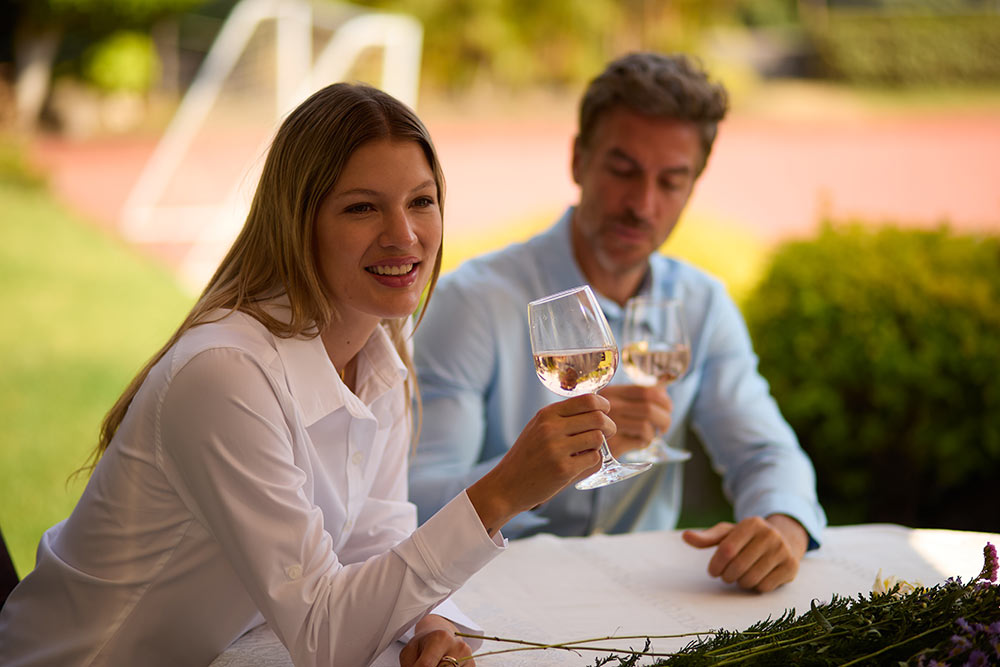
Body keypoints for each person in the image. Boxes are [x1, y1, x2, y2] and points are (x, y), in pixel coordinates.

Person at [0, 83, 616, 667]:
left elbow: (373, 538)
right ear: (299, 222)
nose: (403, 235)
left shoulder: (378, 354)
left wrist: (427, 621)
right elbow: (324, 638)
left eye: (421, 201)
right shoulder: (225, 375)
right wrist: (501, 493)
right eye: (361, 208)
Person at [409, 52, 827, 593]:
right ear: (579, 160)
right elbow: (416, 500)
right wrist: (541, 470)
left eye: (671, 181)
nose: (642, 204)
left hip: (644, 598)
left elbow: (765, 453)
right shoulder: (474, 301)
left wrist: (783, 528)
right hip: (494, 597)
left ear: (693, 186)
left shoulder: (702, 304)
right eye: (623, 171)